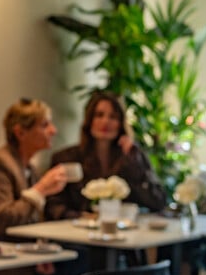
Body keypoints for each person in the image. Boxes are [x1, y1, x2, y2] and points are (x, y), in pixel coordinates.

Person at [46, 91, 167, 221]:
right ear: (89, 120)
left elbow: (158, 201)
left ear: (121, 123)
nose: (105, 122)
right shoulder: (66, 158)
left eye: (113, 117)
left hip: (123, 227)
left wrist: (133, 161)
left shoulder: (133, 156)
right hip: (77, 229)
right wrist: (81, 217)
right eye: (99, 115)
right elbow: (53, 205)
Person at [0, 98, 69, 239]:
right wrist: (40, 190)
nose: (53, 130)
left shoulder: (29, 168)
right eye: (44, 125)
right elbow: (3, 220)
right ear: (20, 133)